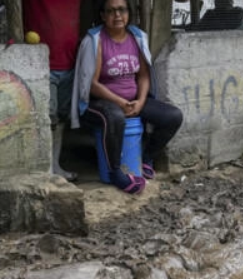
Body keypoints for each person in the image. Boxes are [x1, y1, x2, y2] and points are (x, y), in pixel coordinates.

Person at [71, 0, 183, 195]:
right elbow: (92, 84)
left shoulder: (137, 38)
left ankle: (146, 157)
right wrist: (120, 102)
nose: (117, 15)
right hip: (100, 103)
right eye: (111, 11)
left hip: (133, 100)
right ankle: (115, 172)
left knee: (172, 116)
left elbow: (143, 75)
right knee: (114, 116)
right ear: (103, 16)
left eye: (121, 10)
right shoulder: (95, 40)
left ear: (128, 13)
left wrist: (139, 101)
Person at [23, 0, 81, 181]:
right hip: (43, 67)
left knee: (62, 118)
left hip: (71, 66)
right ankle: (44, 170)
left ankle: (54, 166)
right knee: (48, 118)